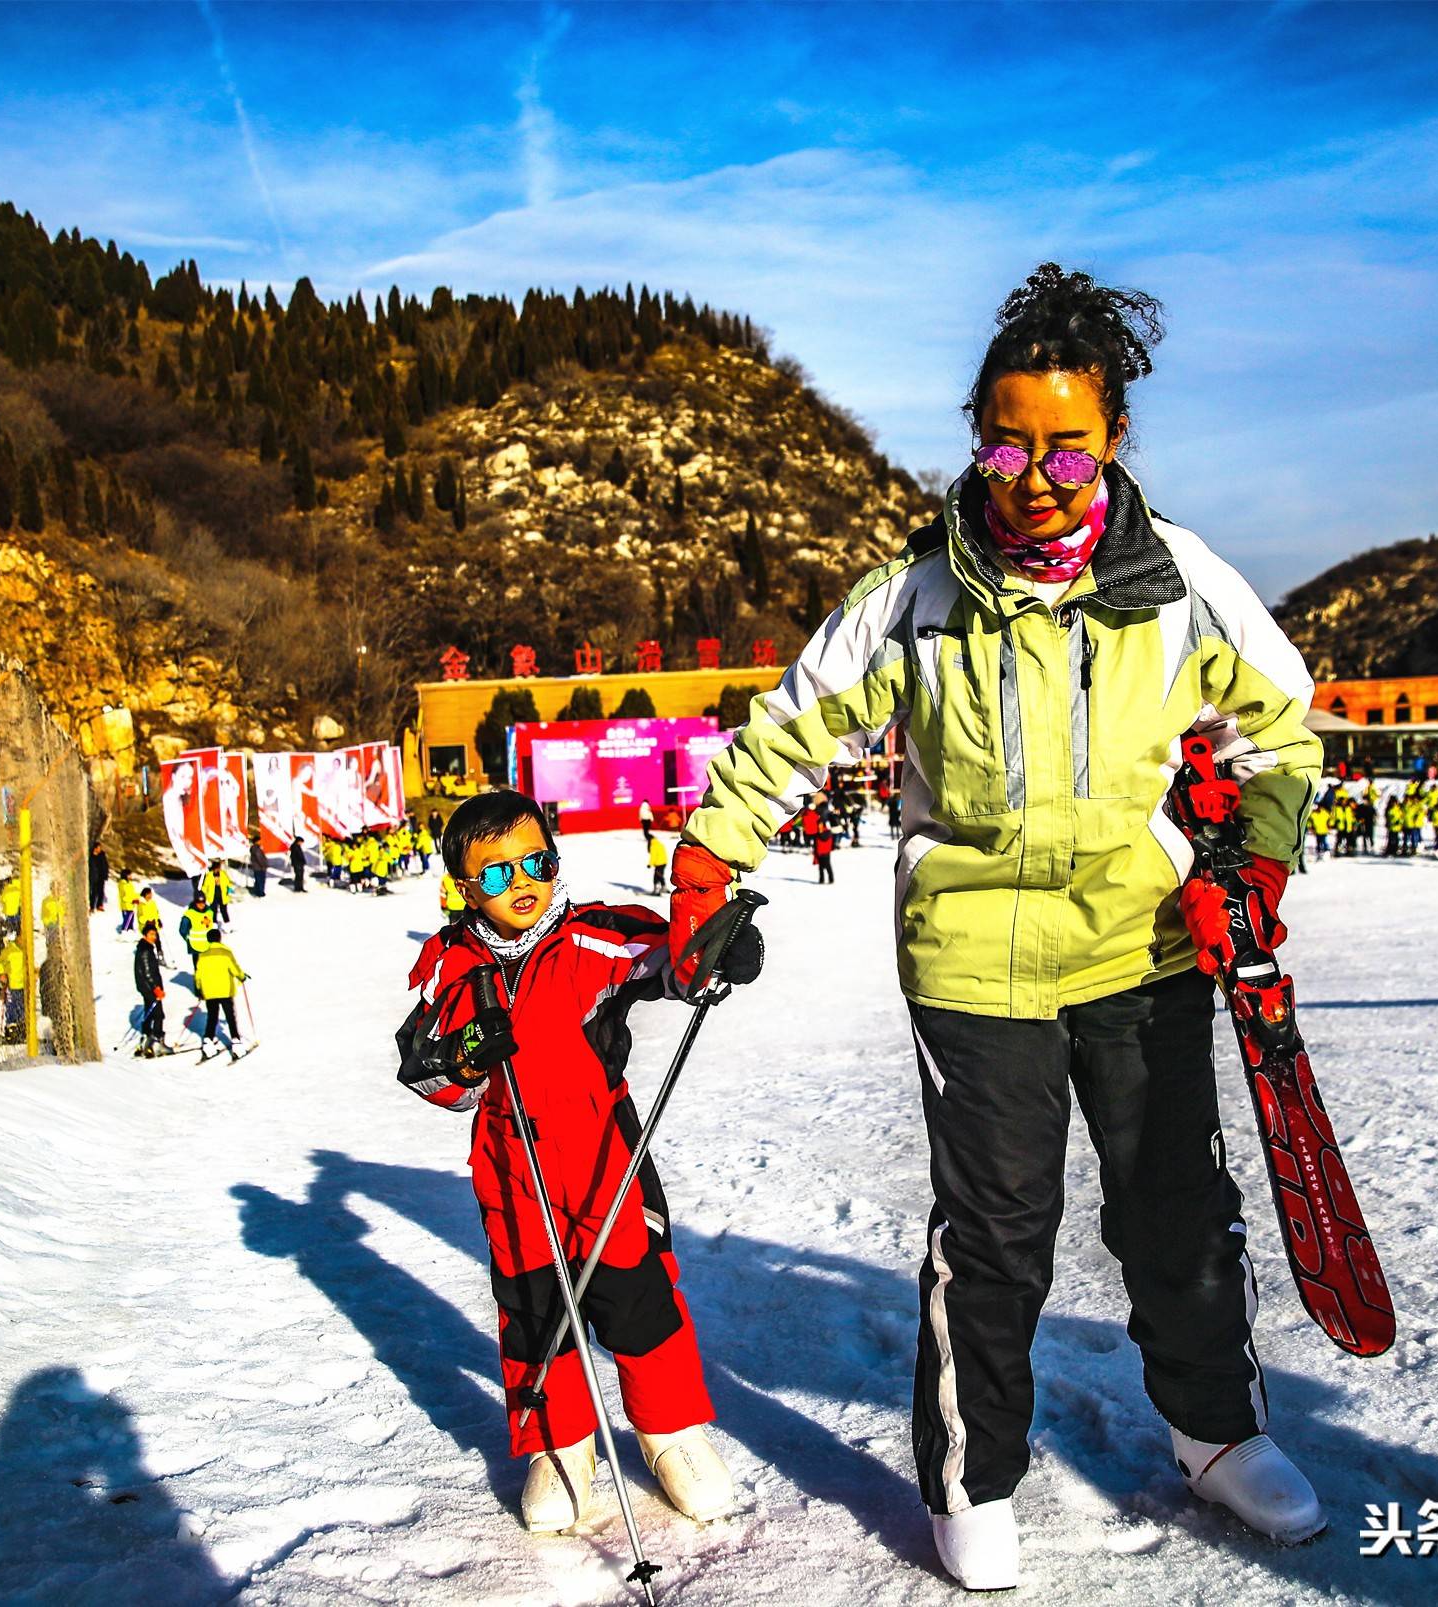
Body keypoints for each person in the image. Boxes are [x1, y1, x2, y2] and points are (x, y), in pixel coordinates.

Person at [671, 264, 1326, 1589]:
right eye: (1008, 436)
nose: (1035, 469)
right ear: (978, 433)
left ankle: (1213, 1428)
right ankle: (974, 1473)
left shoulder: (1177, 579)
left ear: (1111, 439)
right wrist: (706, 857)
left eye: (1066, 441)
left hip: (1141, 941)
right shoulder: (914, 592)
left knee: (1174, 1205)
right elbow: (786, 731)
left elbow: (1280, 727)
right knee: (995, 1223)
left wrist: (1256, 854)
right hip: (971, 955)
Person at [397, 791, 760, 1534]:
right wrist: (466, 1057)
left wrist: (717, 948)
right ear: (465, 889)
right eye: (495, 874)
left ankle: (669, 1431)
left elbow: (674, 963)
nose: (522, 881)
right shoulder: (451, 968)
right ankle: (560, 1445)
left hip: (602, 1153)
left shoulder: (591, 937)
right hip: (511, 1164)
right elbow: (425, 1071)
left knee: (636, 1293)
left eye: (537, 860)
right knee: (535, 1308)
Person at [195, 926, 248, 1052]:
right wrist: (242, 976)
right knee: (230, 1015)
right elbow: (234, 968)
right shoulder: (226, 953)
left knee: (212, 1015)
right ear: (219, 938)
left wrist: (199, 989)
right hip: (225, 990)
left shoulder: (202, 955)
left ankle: (208, 1039)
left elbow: (198, 975)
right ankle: (235, 1040)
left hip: (210, 992)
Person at [133, 919, 170, 1055]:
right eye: (151, 934)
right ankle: (157, 1042)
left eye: (155, 934)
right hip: (149, 988)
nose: (154, 937)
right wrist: (156, 988)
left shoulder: (145, 948)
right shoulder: (145, 951)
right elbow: (147, 972)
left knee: (149, 1011)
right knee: (158, 1014)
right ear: (145, 935)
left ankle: (147, 1038)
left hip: (145, 987)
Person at [0, 935, 28, 1044]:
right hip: (12, 985)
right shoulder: (10, 950)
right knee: (11, 1006)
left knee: (22, 1007)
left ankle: (22, 1029)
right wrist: (2, 973)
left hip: (24, 986)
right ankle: (11, 1030)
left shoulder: (28, 950)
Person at [116, 869, 139, 934]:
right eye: (130, 875)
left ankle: (130, 930)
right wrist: (133, 900)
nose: (131, 876)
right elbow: (125, 896)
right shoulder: (123, 884)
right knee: (127, 921)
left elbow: (132, 893)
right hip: (126, 906)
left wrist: (139, 897)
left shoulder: (129, 883)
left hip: (130, 905)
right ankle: (124, 931)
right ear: (126, 875)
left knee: (131, 919)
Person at [89, 842, 109, 913]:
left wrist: (106, 874)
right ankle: (92, 907)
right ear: (95, 848)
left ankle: (99, 905)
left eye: (100, 848)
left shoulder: (102, 855)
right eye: (98, 848)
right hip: (94, 876)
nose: (99, 849)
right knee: (93, 892)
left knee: (101, 891)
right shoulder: (91, 856)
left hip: (101, 876)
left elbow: (105, 865)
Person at [248, 833, 270, 899]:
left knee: (258, 880)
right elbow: (259, 858)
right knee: (260, 880)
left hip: (257, 867)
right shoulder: (256, 848)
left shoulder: (255, 848)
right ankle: (260, 892)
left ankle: (258, 891)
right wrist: (264, 865)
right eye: (260, 840)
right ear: (257, 841)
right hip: (259, 867)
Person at [647, 830, 669, 895]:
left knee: (656, 876)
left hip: (659, 863)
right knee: (660, 875)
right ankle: (663, 887)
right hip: (664, 862)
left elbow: (653, 856)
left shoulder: (653, 846)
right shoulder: (660, 843)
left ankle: (657, 890)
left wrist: (650, 864)